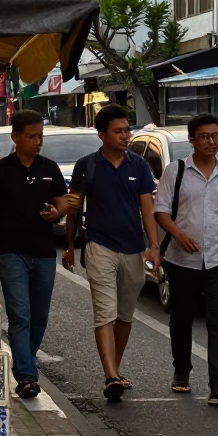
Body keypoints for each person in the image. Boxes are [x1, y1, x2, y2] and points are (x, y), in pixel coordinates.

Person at [64, 105, 160, 402]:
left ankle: (115, 369)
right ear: (102, 134)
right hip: (98, 245)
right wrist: (69, 244)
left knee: (124, 315)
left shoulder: (139, 166)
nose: (125, 136)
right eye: (118, 131)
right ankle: (110, 375)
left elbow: (147, 208)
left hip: (132, 249)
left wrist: (153, 246)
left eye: (127, 130)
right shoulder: (86, 165)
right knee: (105, 312)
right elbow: (73, 206)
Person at [154, 114, 218, 407]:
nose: (212, 142)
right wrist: (178, 235)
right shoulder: (176, 171)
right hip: (183, 260)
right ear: (192, 139)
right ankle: (181, 369)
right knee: (182, 317)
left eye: (216, 136)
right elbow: (161, 211)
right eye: (206, 136)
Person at [0, 110, 68, 399]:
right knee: (20, 315)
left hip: (44, 254)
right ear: (15, 137)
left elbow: (63, 202)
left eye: (40, 136)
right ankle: (27, 376)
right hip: (11, 253)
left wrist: (58, 212)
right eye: (31, 136)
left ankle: (24, 362)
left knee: (39, 317)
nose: (37, 141)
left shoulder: (50, 168)